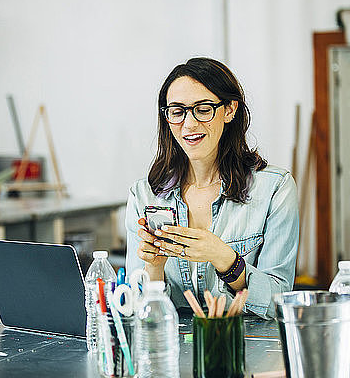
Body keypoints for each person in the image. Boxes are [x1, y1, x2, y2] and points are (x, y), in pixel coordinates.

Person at [125, 58, 299, 319]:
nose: (189, 124)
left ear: (230, 110)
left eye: (203, 109)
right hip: (172, 348)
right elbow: (135, 310)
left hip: (248, 347)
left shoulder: (274, 188)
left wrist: (225, 259)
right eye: (177, 111)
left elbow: (279, 303)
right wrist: (154, 268)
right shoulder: (144, 194)